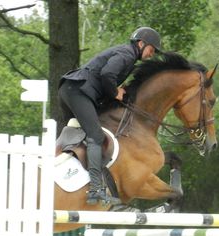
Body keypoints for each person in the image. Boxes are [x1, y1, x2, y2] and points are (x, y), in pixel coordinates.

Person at [58, 27, 161, 205]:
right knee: (96, 136)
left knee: (82, 135)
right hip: (77, 90)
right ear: (141, 43)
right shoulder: (127, 54)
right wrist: (115, 91)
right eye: (152, 49)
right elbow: (107, 74)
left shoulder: (128, 55)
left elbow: (104, 76)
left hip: (71, 89)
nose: (152, 54)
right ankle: (95, 190)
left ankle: (69, 174)